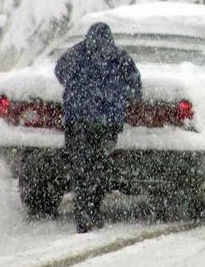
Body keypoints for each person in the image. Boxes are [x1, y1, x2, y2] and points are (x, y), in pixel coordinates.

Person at [55, 22, 142, 233]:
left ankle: (83, 214)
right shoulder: (120, 58)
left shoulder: (75, 54)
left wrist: (78, 91)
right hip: (106, 125)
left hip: (76, 122)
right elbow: (135, 89)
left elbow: (59, 73)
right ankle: (93, 212)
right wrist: (118, 98)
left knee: (80, 169)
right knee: (99, 167)